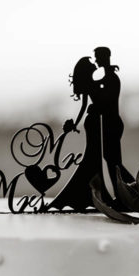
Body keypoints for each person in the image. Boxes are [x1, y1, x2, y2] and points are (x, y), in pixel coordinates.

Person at [47, 57, 106, 211]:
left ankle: (95, 193)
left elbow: (85, 106)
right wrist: (75, 123)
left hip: (94, 121)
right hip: (93, 123)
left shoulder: (92, 84)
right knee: (93, 155)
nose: (95, 65)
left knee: (94, 156)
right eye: (92, 64)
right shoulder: (93, 84)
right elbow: (86, 106)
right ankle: (94, 193)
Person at [92, 47, 133, 196]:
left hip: (112, 124)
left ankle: (132, 190)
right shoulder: (108, 77)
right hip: (109, 123)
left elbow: (105, 101)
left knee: (114, 163)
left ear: (104, 57)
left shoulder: (111, 78)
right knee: (111, 161)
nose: (95, 60)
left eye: (97, 57)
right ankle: (122, 193)